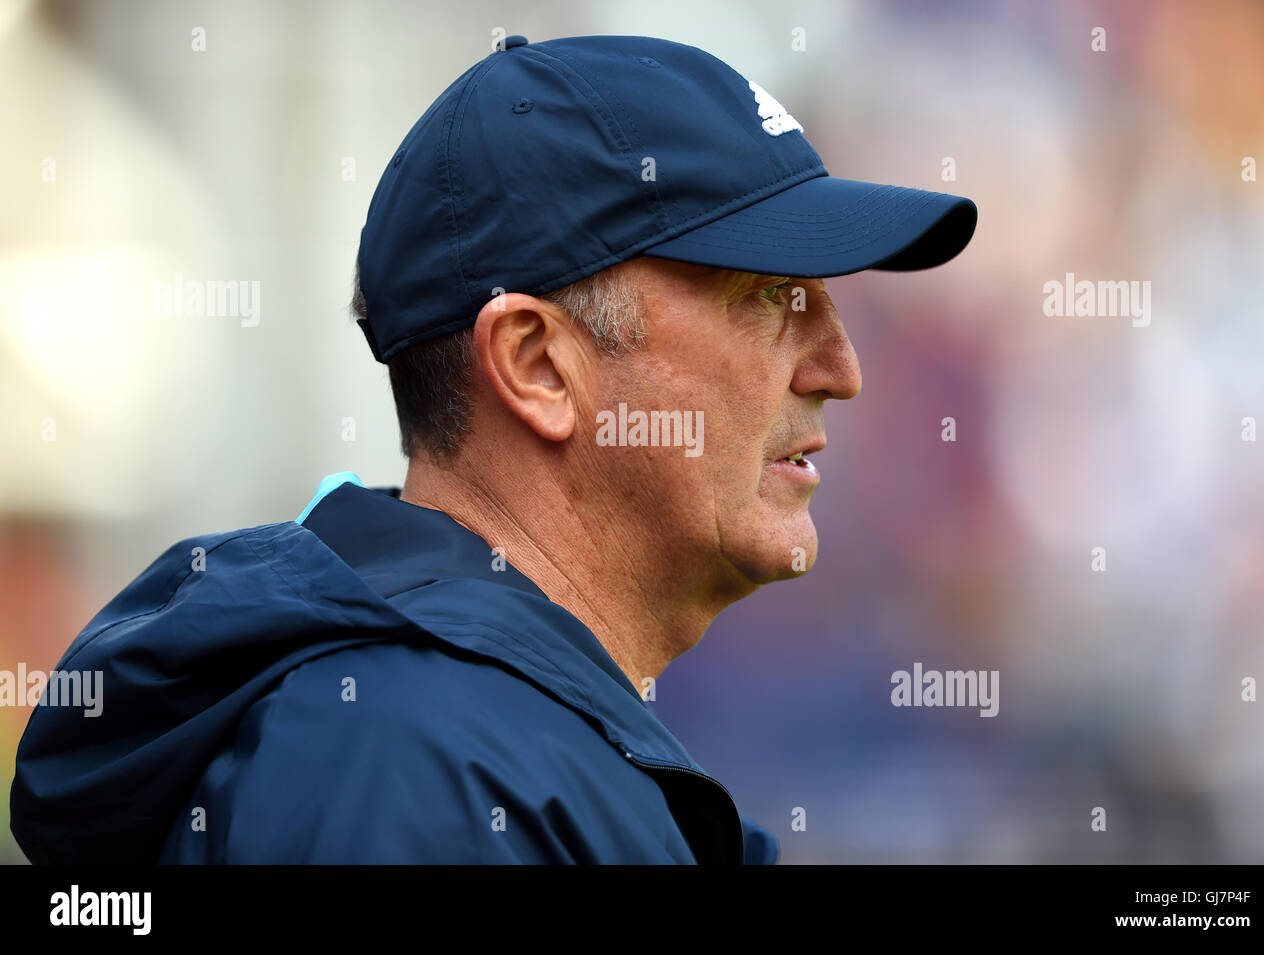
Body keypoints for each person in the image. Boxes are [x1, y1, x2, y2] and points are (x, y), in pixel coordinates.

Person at [10, 34, 976, 864]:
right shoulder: (411, 760)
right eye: (769, 295)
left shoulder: (478, 741)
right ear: (537, 367)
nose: (840, 368)